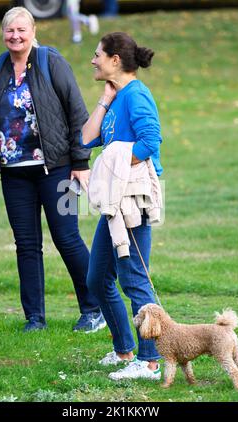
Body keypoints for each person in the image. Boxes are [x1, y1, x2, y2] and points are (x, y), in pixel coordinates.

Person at [0, 6, 105, 333]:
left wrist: (81, 162)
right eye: (9, 31)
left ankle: (95, 309)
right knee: (26, 245)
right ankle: (35, 319)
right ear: (3, 33)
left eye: (21, 30)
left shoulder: (50, 62)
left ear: (32, 31)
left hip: (59, 171)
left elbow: (77, 112)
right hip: (15, 175)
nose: (15, 36)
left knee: (68, 238)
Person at [81, 32, 163, 380]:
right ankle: (124, 350)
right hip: (116, 201)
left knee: (134, 278)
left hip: (134, 199)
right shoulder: (117, 98)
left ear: (115, 59)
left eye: (97, 54)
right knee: (97, 278)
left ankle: (149, 361)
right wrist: (103, 100)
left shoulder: (137, 96)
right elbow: (85, 139)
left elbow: (150, 140)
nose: (92, 60)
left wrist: (116, 164)